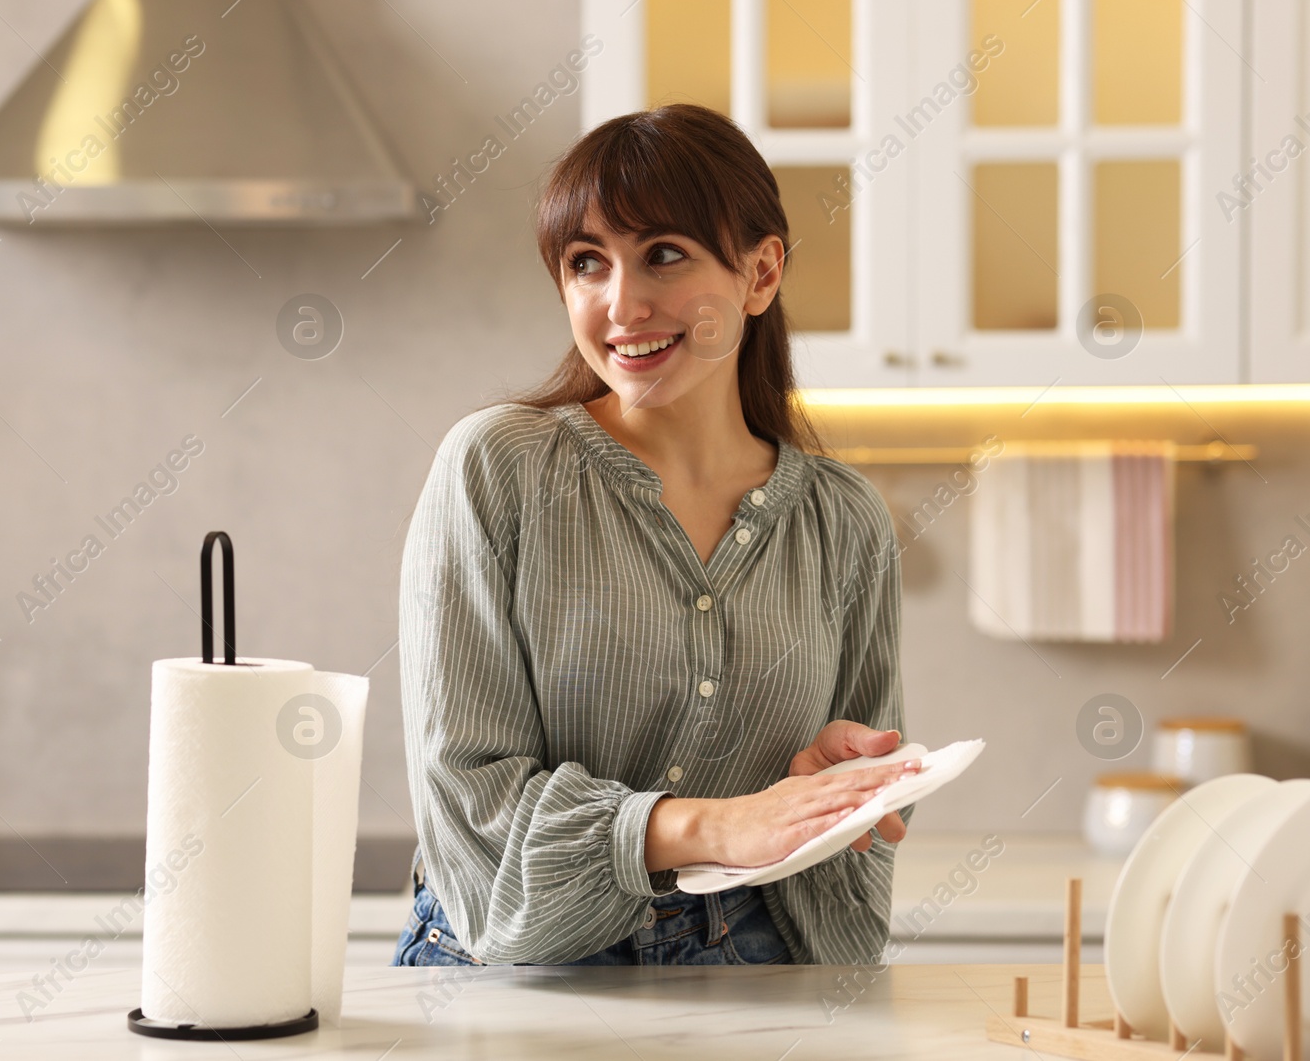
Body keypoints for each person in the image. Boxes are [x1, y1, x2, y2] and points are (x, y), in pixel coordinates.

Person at [392, 103, 918, 968]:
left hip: (757, 958)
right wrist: (717, 823)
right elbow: (470, 800)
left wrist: (824, 792)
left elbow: (861, 849)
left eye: (663, 255)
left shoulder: (843, 519)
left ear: (761, 272)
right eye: (585, 263)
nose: (621, 303)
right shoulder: (497, 469)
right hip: (522, 974)